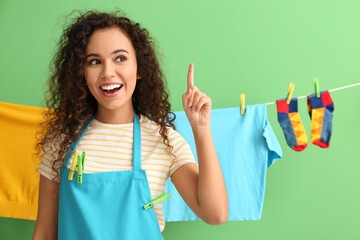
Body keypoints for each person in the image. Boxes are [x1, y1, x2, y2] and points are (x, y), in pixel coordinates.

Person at [32, 10, 228, 240]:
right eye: (95, 61)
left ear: (140, 69)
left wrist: (201, 128)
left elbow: (215, 214)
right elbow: (45, 233)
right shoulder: (61, 140)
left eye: (120, 58)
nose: (108, 72)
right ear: (81, 74)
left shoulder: (164, 141)